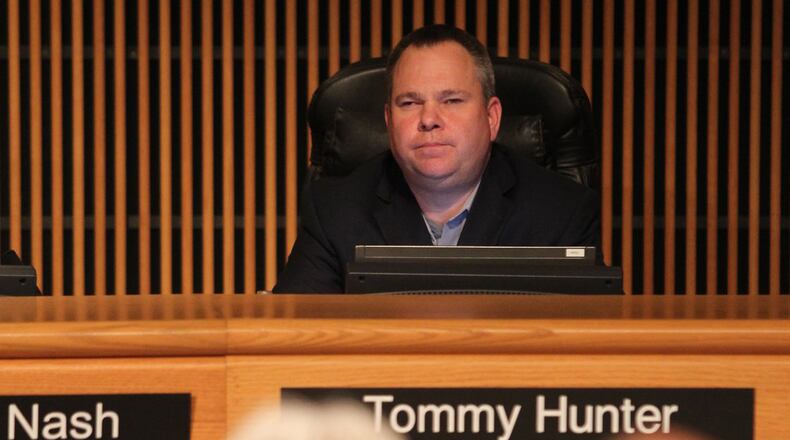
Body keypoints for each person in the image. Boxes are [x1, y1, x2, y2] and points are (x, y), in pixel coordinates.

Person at [273, 24, 599, 293]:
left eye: (452, 100)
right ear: (389, 120)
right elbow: (293, 341)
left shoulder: (562, 211)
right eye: (410, 103)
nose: (429, 118)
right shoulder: (335, 211)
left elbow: (602, 348)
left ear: (491, 117)